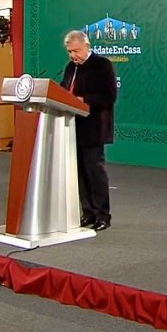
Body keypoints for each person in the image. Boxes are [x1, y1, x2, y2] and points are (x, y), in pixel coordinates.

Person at [61, 30, 117, 232]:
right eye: (69, 52)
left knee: (95, 173)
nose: (72, 55)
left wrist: (83, 100)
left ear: (86, 46)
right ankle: (88, 213)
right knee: (80, 174)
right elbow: (62, 92)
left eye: (75, 51)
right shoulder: (71, 68)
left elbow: (109, 97)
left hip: (93, 128)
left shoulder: (102, 65)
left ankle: (102, 215)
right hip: (72, 128)